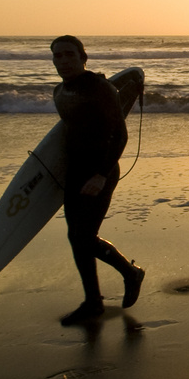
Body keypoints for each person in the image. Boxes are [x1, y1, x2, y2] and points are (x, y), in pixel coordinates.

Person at [49, 35, 144, 324]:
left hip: (99, 170)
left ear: (82, 56)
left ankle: (130, 273)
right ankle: (93, 301)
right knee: (76, 238)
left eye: (69, 54)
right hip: (75, 172)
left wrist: (101, 175)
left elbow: (120, 135)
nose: (63, 61)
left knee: (83, 237)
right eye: (57, 56)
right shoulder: (59, 91)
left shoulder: (100, 88)